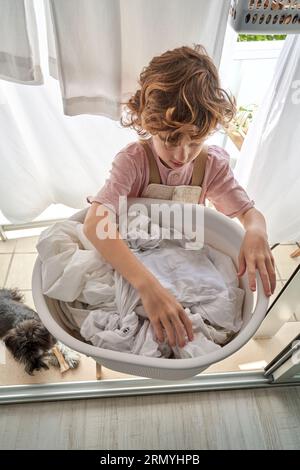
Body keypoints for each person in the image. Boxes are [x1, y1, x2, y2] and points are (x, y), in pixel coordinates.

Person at [83, 44, 276, 349]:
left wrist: (255, 230)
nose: (182, 154)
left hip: (181, 259)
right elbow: (95, 223)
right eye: (170, 139)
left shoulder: (210, 166)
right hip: (136, 262)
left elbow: (249, 214)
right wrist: (148, 286)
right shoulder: (134, 161)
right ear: (148, 122)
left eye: (195, 141)